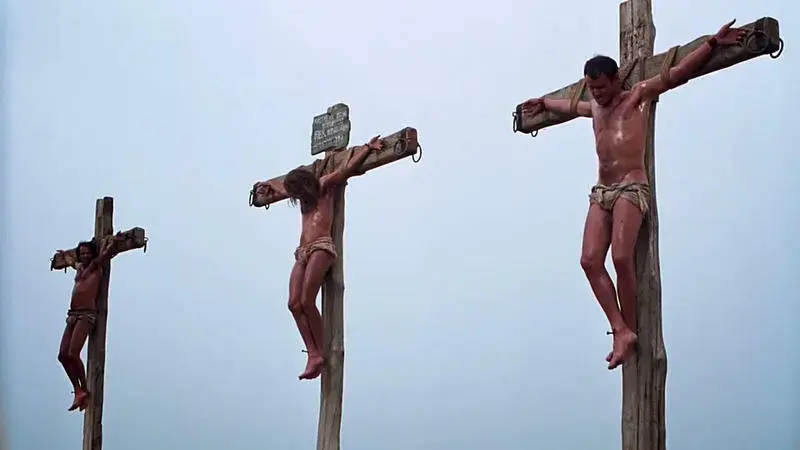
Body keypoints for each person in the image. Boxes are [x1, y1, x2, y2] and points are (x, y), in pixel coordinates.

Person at [522, 20, 747, 370]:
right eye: (591, 88)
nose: (596, 94)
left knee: (622, 258)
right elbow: (569, 105)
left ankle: (629, 329)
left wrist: (712, 45)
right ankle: (620, 330)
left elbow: (677, 74)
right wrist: (544, 102)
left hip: (631, 186)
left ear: (615, 80)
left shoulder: (636, 96)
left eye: (600, 87)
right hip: (602, 191)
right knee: (589, 261)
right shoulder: (593, 108)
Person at [257, 136, 383, 380]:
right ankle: (313, 353)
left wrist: (368, 148)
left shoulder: (323, 186)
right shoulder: (300, 196)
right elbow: (279, 189)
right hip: (302, 251)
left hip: (321, 246)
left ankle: (321, 351)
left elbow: (346, 170)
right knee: (294, 304)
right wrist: (264, 188)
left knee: (307, 300)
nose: (295, 197)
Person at [56, 232, 126, 411]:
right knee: (62, 355)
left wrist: (113, 244)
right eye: (82, 253)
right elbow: (72, 262)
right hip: (73, 315)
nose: (85, 255)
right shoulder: (80, 268)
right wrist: (65, 255)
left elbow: (105, 255)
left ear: (92, 253)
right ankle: (77, 390)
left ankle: (85, 388)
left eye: (88, 252)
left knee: (73, 354)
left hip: (86, 315)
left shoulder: (95, 266)